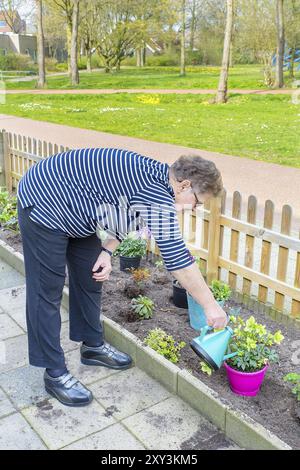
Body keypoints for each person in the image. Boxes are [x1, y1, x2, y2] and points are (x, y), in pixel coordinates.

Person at [17, 147, 227, 407]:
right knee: (46, 291)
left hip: (77, 208)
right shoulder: (155, 191)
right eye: (197, 202)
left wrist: (106, 251)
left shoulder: (158, 182)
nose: (194, 209)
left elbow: (129, 214)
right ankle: (54, 372)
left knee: (90, 276)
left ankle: (92, 346)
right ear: (184, 185)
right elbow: (178, 260)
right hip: (44, 203)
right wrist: (210, 305)